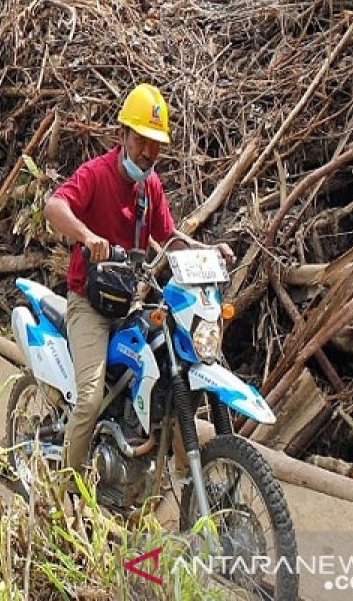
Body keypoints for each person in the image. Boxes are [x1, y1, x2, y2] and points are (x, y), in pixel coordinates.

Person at [43, 83, 236, 475]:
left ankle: (175, 483)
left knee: (169, 368)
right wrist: (88, 236)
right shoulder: (95, 175)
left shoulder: (150, 187)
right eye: (141, 140)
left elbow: (169, 240)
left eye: (155, 144)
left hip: (129, 304)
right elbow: (54, 205)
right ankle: (59, 495)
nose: (148, 152)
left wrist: (206, 252)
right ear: (123, 136)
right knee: (90, 399)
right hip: (89, 306)